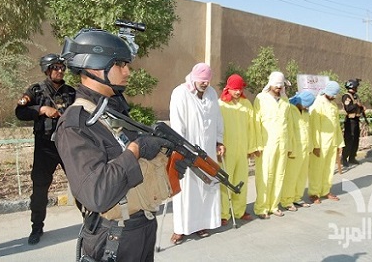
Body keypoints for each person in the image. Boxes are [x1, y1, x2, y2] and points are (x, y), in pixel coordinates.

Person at [54, 28, 183, 262]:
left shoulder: (113, 110)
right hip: (112, 238)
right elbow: (96, 193)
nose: (128, 71)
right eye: (120, 64)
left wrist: (169, 167)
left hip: (143, 227)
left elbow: (136, 173)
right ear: (95, 66)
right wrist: (136, 150)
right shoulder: (77, 124)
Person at [15, 53, 76, 245]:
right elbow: (20, 111)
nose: (60, 71)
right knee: (40, 189)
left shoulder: (71, 92)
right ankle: (36, 227)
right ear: (47, 69)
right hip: (45, 146)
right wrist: (41, 110)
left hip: (67, 144)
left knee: (80, 182)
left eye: (62, 67)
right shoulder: (36, 91)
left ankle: (91, 222)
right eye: (56, 67)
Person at [169, 62, 225, 244]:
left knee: (206, 186)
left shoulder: (212, 94)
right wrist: (180, 146)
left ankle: (203, 223)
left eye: (207, 81)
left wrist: (219, 140)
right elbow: (177, 122)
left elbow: (217, 118)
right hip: (186, 150)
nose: (204, 84)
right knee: (185, 190)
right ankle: (181, 229)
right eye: (201, 81)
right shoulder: (180, 93)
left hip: (207, 150)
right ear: (193, 78)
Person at [253, 71, 293, 219]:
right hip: (266, 144)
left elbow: (289, 124)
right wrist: (256, 145)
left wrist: (290, 146)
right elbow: (255, 122)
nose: (278, 89)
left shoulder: (285, 100)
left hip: (282, 143)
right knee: (265, 175)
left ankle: (273, 205)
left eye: (280, 87)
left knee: (279, 174)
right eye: (276, 86)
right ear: (270, 84)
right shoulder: (261, 98)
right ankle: (261, 207)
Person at [218, 74, 257, 225]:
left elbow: (252, 126)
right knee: (225, 181)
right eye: (235, 89)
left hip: (242, 149)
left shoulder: (246, 104)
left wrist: (252, 147)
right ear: (228, 88)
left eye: (240, 89)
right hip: (226, 150)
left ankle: (239, 210)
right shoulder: (221, 104)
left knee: (242, 180)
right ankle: (223, 213)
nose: (238, 92)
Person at [308, 81, 344, 204]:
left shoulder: (333, 105)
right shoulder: (318, 104)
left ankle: (325, 190)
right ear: (327, 92)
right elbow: (314, 127)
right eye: (333, 94)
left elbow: (337, 126)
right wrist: (316, 145)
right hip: (321, 143)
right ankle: (314, 193)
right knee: (317, 169)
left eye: (335, 95)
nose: (334, 96)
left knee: (329, 168)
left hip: (332, 142)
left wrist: (340, 143)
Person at [280, 91, 315, 211]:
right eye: (306, 104)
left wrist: (311, 146)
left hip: (305, 149)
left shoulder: (305, 113)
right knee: (291, 176)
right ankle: (287, 200)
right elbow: (288, 131)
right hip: (295, 149)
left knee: (301, 175)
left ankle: (297, 197)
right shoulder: (290, 109)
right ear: (300, 102)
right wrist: (289, 148)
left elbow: (308, 130)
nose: (306, 107)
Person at [341, 79, 365, 167]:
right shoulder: (346, 96)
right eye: (356, 86)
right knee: (349, 140)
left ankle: (352, 157)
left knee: (355, 140)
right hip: (350, 121)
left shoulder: (355, 96)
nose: (357, 88)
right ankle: (344, 158)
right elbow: (348, 108)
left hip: (356, 120)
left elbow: (359, 106)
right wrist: (356, 105)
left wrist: (362, 108)